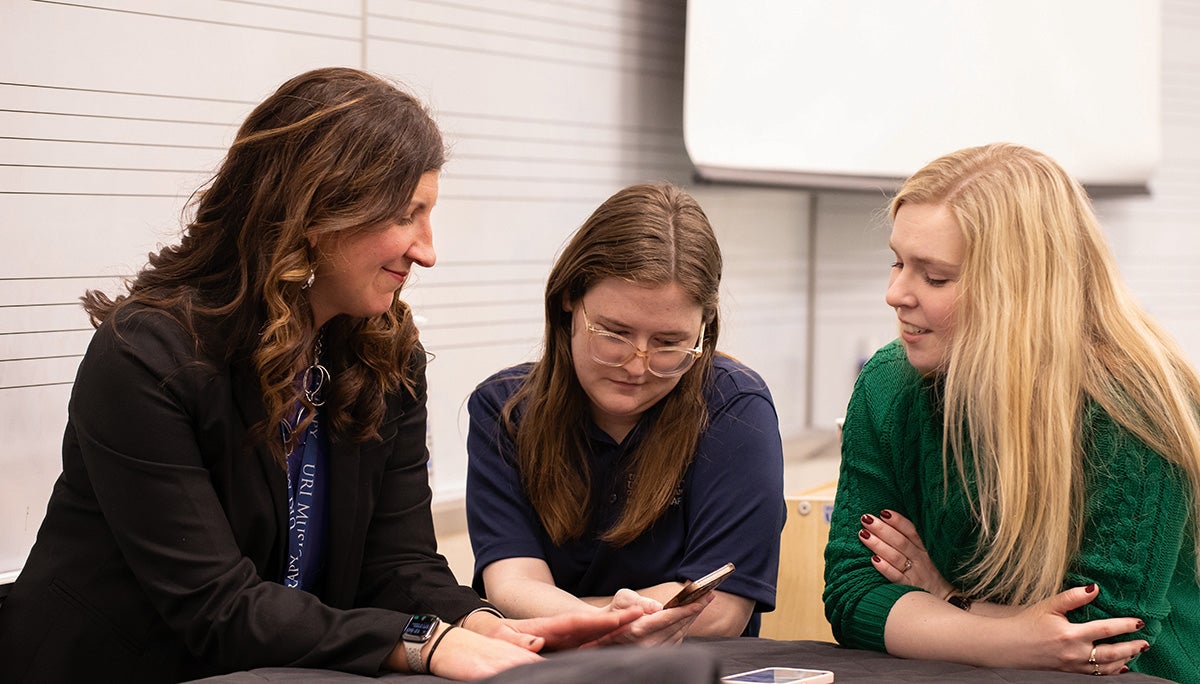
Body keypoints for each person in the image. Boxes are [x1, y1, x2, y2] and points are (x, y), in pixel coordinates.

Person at [0, 67, 640, 683]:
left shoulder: (384, 351)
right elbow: (216, 606)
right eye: (406, 215)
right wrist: (422, 641)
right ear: (316, 211)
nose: (427, 250)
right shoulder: (146, 356)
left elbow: (399, 563)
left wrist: (480, 622)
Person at [822, 143, 1200, 681]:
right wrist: (1008, 634)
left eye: (935, 277)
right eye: (898, 262)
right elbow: (853, 594)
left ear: (1019, 289)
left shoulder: (1133, 405)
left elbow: (1102, 637)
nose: (895, 293)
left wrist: (946, 598)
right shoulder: (888, 383)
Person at [465, 182, 787, 643]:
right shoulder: (505, 409)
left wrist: (570, 615)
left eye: (669, 343)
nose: (638, 366)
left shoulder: (735, 410)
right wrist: (617, 621)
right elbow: (511, 584)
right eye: (614, 333)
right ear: (568, 300)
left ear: (703, 329)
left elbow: (720, 613)